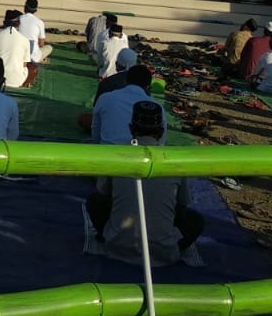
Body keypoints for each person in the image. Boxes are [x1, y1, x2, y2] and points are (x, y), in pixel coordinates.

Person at [86, 100, 204, 267]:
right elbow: (181, 208)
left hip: (117, 246)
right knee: (195, 220)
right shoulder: (174, 160)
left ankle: (112, 235)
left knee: (94, 202)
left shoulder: (117, 155)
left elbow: (102, 196)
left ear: (131, 128)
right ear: (161, 130)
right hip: (164, 250)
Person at [92, 64, 160, 145]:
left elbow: (95, 132)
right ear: (148, 87)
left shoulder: (105, 97)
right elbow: (160, 141)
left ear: (126, 81)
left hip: (108, 152)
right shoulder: (158, 107)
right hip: (142, 154)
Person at [0, 9, 33, 88]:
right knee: (33, 67)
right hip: (17, 81)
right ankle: (25, 85)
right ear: (18, 24)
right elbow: (24, 65)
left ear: (4, 22)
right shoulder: (25, 40)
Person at [17, 0, 49, 64]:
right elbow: (41, 44)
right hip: (32, 56)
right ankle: (42, 59)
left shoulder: (18, 19)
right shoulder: (39, 22)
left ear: (25, 7)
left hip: (18, 53)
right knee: (49, 48)